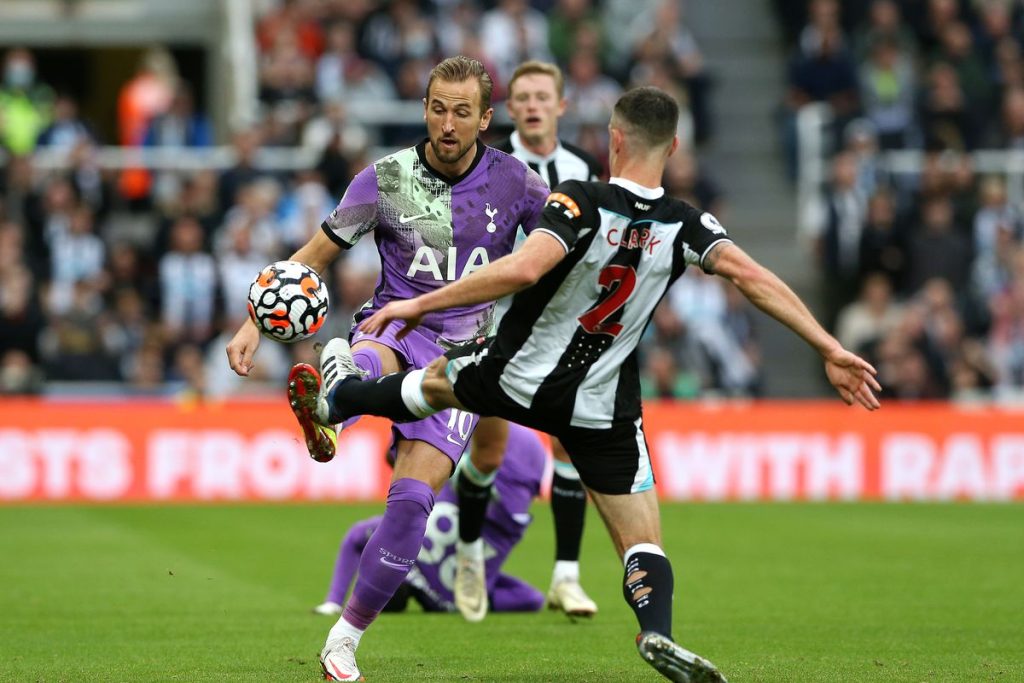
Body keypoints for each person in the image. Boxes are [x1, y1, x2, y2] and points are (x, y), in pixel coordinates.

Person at [290, 86, 881, 681]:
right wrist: (830, 348)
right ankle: (656, 631)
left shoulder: (579, 200)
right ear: (674, 147)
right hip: (601, 403)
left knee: (437, 384)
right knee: (642, 540)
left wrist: (421, 305)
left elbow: (524, 268)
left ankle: (340, 397)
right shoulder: (688, 224)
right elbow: (753, 279)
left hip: (520, 373)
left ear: (614, 140)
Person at [226, 55, 550, 682]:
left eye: (462, 112)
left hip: (463, 359)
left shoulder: (518, 184)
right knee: (370, 355)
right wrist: (253, 324)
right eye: (438, 109)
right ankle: (335, 399)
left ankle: (343, 641)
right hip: (394, 325)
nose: (448, 124)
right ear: (424, 108)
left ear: (486, 118)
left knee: (410, 506)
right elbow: (313, 256)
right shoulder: (384, 180)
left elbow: (557, 254)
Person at [456, 60, 603, 621]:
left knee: (569, 444)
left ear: (561, 105)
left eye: (544, 96)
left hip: (563, 324)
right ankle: (469, 553)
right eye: (524, 97)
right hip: (498, 322)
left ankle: (567, 576)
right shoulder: (489, 166)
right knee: (488, 450)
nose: (534, 105)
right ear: (510, 109)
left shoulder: (585, 168)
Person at [313, 423, 547, 617]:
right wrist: (333, 601)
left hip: (511, 501)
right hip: (498, 467)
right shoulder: (401, 547)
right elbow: (356, 536)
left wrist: (488, 583)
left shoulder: (447, 603)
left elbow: (530, 598)